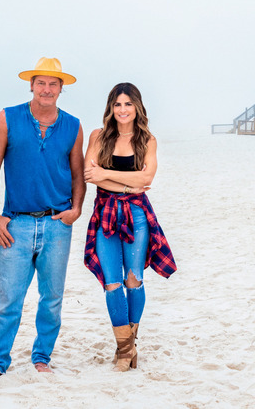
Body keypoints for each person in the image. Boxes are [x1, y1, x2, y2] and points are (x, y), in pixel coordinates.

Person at [0, 57, 85, 383]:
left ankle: (42, 358)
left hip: (57, 224)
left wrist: (76, 209)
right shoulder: (7, 118)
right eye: (41, 83)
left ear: (61, 88)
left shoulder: (73, 125)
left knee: (51, 299)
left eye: (53, 84)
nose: (47, 89)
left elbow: (79, 175)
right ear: (32, 85)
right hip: (17, 224)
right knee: (7, 299)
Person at [83, 83, 177, 372]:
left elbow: (148, 178)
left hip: (136, 215)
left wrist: (108, 175)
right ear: (111, 108)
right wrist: (128, 183)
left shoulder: (147, 140)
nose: (122, 110)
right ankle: (126, 349)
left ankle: (126, 349)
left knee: (133, 280)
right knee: (111, 283)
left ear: (137, 107)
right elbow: (90, 175)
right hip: (106, 214)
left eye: (128, 104)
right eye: (117, 104)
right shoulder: (98, 136)